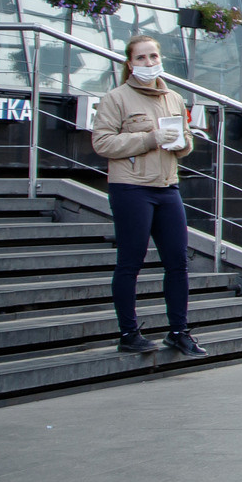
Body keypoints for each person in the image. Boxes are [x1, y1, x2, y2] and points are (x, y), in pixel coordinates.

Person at [92, 35, 204, 356]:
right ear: (129, 64)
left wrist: (182, 143)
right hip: (131, 187)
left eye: (153, 56)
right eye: (141, 58)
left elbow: (186, 141)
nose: (149, 62)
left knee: (178, 261)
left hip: (167, 186)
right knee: (130, 261)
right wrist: (149, 138)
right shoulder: (116, 98)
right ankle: (128, 333)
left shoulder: (174, 98)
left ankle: (179, 332)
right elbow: (102, 143)